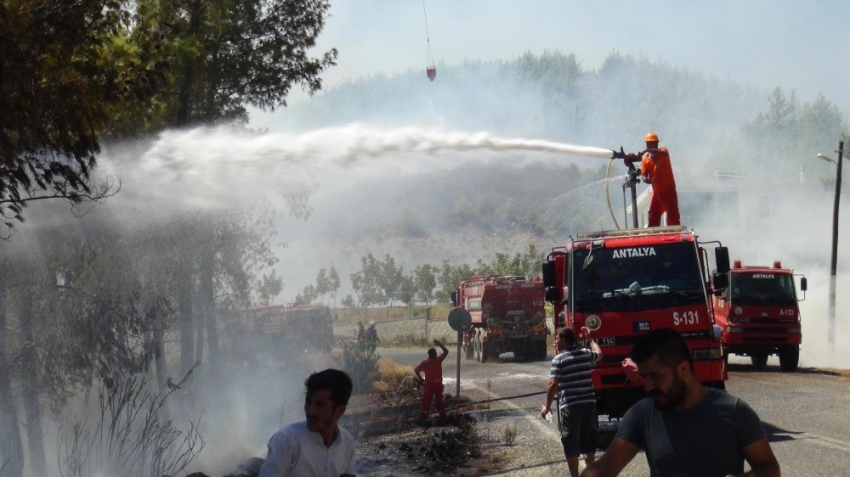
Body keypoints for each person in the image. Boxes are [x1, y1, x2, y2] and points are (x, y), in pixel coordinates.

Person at [580, 328, 780, 477]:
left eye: (655, 376)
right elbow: (603, 469)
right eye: (643, 377)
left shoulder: (734, 411)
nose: (648, 386)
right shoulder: (642, 415)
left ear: (683, 369)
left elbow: (769, 468)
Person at [258, 369, 356, 477]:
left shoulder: (347, 443)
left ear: (339, 411)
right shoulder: (286, 440)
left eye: (320, 405)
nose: (310, 411)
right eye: (308, 402)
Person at [541, 327, 603, 477]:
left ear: (563, 340)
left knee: (571, 444)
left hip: (570, 407)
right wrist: (590, 339)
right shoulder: (585, 354)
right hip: (589, 404)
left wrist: (547, 407)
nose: (555, 342)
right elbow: (600, 354)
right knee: (588, 445)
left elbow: (552, 384)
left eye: (556, 339)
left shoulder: (559, 360)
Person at [625, 131, 680, 227]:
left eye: (652, 143)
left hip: (669, 192)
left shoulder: (663, 152)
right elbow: (644, 174)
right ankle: (653, 234)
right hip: (657, 193)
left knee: (672, 216)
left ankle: (675, 233)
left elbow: (662, 153)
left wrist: (646, 150)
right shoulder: (646, 160)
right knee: (653, 215)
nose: (650, 145)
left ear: (657, 143)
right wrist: (645, 178)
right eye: (648, 144)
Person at [414, 339, 449, 423]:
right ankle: (443, 418)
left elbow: (416, 370)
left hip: (428, 385)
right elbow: (446, 351)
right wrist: (439, 343)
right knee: (439, 402)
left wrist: (421, 379)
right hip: (437, 384)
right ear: (435, 354)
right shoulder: (438, 360)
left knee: (426, 402)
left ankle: (422, 419)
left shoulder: (425, 363)